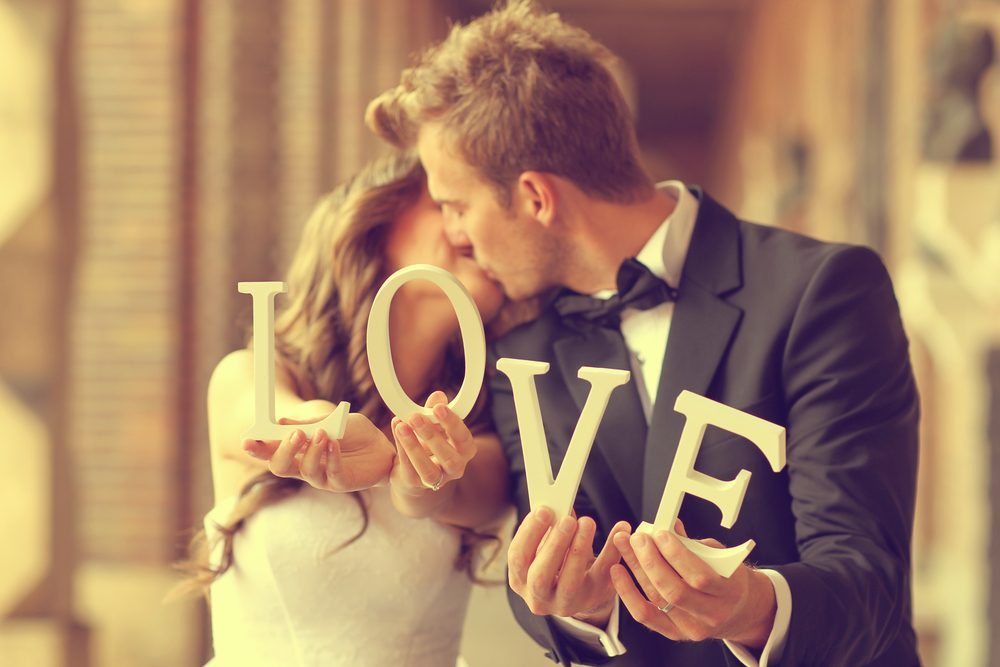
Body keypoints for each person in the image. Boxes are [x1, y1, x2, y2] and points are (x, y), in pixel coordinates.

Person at [365, 2, 921, 665]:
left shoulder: (823, 290)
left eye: (457, 206)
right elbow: (547, 568)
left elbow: (869, 578)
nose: (453, 235)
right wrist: (584, 606)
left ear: (537, 198)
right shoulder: (522, 356)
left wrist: (752, 607)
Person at [186, 151, 510, 666]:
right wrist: (327, 428)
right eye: (442, 203)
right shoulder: (249, 375)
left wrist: (408, 474)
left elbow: (449, 491)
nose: (464, 224)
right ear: (374, 222)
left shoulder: (488, 427)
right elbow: (272, 417)